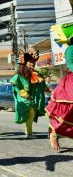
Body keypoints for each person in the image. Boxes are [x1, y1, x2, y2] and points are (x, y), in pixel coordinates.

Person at [46, 22, 73, 152]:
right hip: (71, 83)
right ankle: (55, 133)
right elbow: (71, 64)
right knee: (68, 111)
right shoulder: (70, 49)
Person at [10, 49, 46, 139]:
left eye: (34, 61)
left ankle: (28, 131)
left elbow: (43, 86)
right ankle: (29, 133)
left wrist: (52, 90)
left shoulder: (36, 74)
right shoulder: (20, 75)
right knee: (30, 113)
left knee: (32, 114)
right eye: (30, 61)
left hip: (34, 98)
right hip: (24, 98)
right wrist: (23, 93)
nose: (33, 63)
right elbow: (16, 86)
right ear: (25, 63)